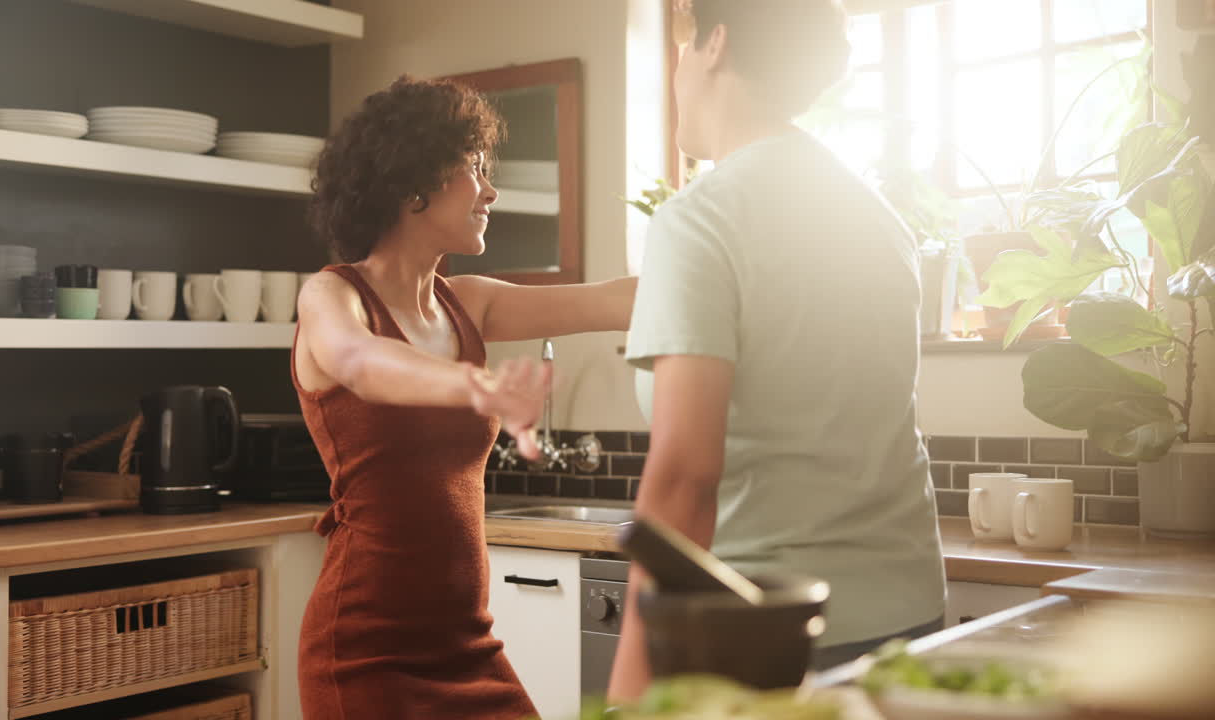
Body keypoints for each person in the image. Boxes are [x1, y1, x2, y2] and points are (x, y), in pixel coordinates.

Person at [607, 0, 947, 700]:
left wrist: (630, 694)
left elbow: (684, 479)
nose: (675, 71)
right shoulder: (878, 219)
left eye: (681, 47)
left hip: (762, 635)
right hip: (907, 619)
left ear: (715, 46)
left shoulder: (699, 219)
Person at [293, 75, 636, 720]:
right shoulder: (332, 296)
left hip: (468, 644)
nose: (490, 189)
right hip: (365, 652)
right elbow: (363, 363)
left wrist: (728, 259)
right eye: (474, 167)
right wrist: (477, 386)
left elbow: (613, 300)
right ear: (412, 181)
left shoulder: (468, 302)